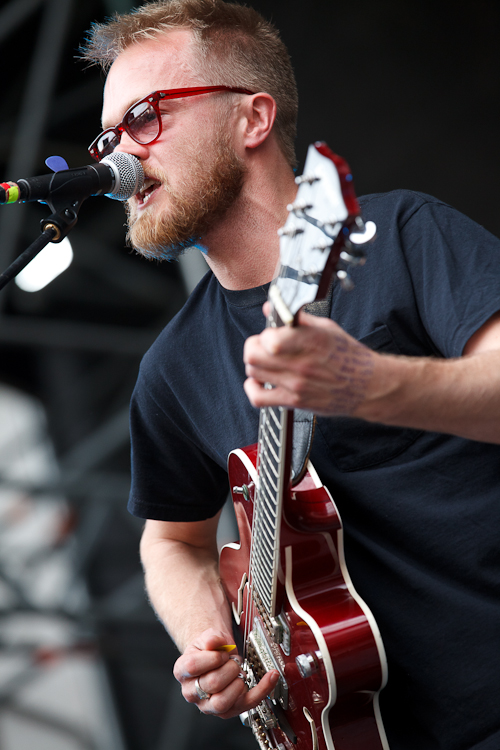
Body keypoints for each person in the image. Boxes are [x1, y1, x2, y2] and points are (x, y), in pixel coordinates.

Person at [81, 1, 500, 748]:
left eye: (144, 118)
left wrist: (371, 385)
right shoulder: (171, 370)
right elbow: (171, 541)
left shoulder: (402, 236)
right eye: (108, 138)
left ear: (252, 119)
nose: (121, 161)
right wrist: (215, 637)